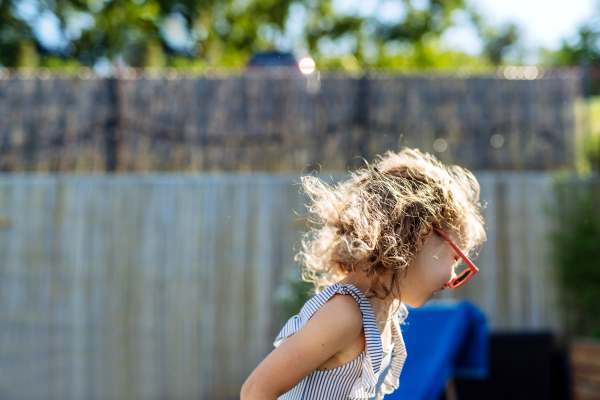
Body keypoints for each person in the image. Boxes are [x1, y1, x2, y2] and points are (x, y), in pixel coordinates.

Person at [241, 148, 487, 400]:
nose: (452, 279)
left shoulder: (380, 315)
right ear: (421, 233)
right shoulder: (346, 313)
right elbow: (257, 390)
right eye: (456, 259)